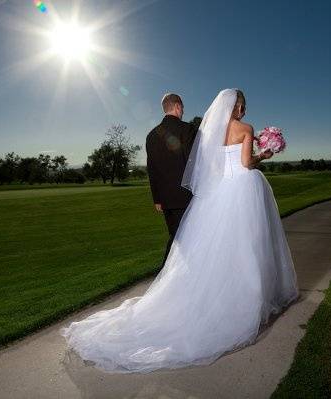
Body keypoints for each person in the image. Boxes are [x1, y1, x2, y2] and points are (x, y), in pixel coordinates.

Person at [60, 88, 298, 373]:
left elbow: (166, 168)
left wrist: (158, 198)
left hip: (193, 196)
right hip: (220, 191)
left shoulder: (163, 135)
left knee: (194, 246)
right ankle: (234, 297)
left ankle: (195, 287)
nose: (243, 111)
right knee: (240, 244)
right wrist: (264, 155)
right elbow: (238, 163)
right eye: (242, 106)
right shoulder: (218, 130)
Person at [145, 93, 197, 264]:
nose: (183, 111)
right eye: (182, 107)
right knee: (186, 240)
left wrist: (157, 199)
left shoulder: (151, 135)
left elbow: (151, 169)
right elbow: (194, 163)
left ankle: (172, 276)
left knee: (177, 238)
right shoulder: (188, 129)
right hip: (187, 195)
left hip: (166, 199)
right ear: (177, 106)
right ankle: (166, 277)